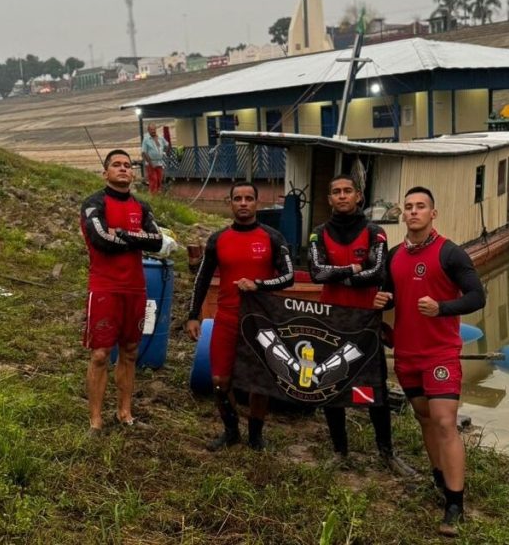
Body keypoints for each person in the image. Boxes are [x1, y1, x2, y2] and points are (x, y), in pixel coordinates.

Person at [374, 186, 485, 537]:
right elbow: (393, 299)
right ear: (402, 214)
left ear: (433, 213)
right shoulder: (393, 256)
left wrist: (443, 308)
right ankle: (439, 477)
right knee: (424, 417)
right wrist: (382, 300)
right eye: (408, 207)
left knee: (443, 421)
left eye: (421, 206)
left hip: (441, 353)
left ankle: (455, 504)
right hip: (406, 354)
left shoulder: (450, 253)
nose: (413, 212)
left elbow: (477, 296)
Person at [308, 174, 415, 477]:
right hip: (331, 320)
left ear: (358, 196)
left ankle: (387, 453)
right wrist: (355, 269)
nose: (342, 196)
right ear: (329, 199)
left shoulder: (374, 232)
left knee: (374, 387)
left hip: (366, 322)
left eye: (347, 191)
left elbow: (378, 271)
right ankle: (340, 451)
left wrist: (340, 274)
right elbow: (316, 273)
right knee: (330, 385)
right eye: (336, 192)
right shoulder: (318, 233)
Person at [186, 182, 294, 451]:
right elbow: (202, 278)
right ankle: (231, 431)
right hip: (227, 319)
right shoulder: (218, 239)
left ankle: (256, 435)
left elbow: (288, 276)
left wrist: (259, 284)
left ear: (257, 203)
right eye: (238, 198)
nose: (243, 203)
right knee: (219, 381)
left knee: (260, 382)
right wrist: (192, 315)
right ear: (230, 203)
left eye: (249, 198)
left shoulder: (272, 237)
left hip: (262, 321)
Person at [80, 149, 163, 434]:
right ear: (105, 173)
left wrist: (123, 234)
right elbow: (101, 239)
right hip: (104, 288)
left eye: (128, 165)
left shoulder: (143, 208)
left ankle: (124, 412)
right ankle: (95, 420)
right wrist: (135, 238)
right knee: (101, 354)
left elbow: (157, 241)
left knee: (129, 351)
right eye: (116, 165)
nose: (123, 169)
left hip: (136, 288)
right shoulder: (94, 203)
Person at [141, 123, 169, 194]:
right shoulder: (146, 139)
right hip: (151, 163)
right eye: (151, 130)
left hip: (159, 162)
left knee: (160, 179)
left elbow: (167, 145)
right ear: (148, 130)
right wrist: (150, 163)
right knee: (154, 179)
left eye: (154, 129)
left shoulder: (160, 138)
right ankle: (153, 195)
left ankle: (158, 195)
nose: (153, 131)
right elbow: (144, 152)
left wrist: (164, 152)